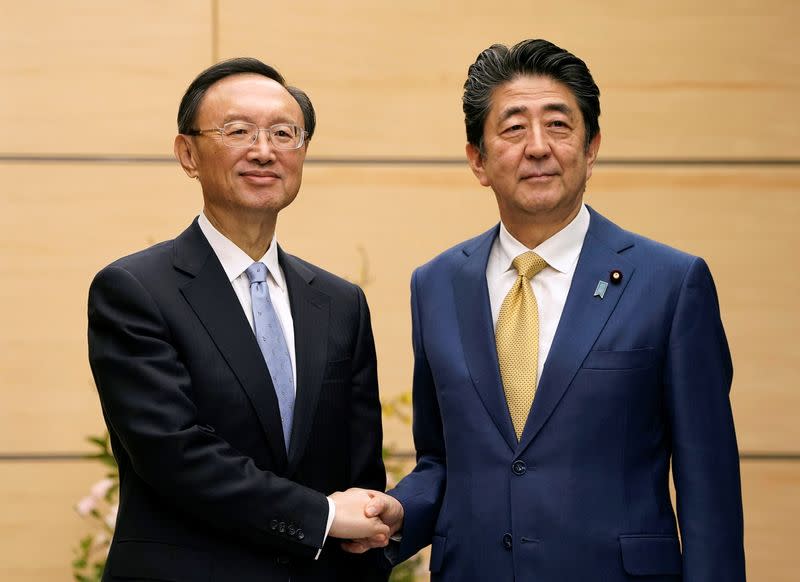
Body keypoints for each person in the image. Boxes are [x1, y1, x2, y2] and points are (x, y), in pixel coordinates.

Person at [349, 39, 746, 581]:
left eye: (558, 125)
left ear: (592, 147)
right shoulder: (436, 284)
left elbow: (709, 487)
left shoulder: (671, 283)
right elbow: (443, 459)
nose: (538, 146)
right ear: (478, 160)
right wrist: (400, 512)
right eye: (513, 128)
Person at [88, 57, 390, 581]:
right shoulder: (135, 290)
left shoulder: (340, 303)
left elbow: (359, 472)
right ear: (188, 153)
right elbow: (173, 455)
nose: (264, 150)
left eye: (283, 133)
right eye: (239, 131)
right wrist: (320, 517)